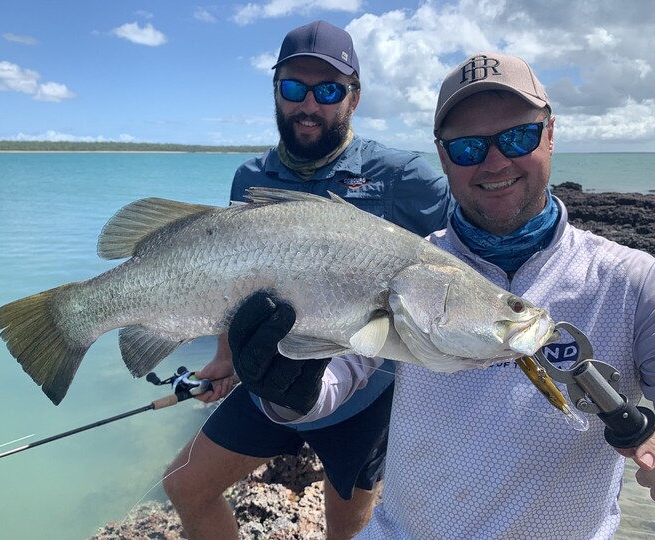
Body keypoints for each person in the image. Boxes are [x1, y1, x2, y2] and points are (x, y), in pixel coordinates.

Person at [220, 51, 655, 539]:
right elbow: (339, 375)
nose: (494, 161)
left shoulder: (634, 281)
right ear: (444, 157)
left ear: (550, 135)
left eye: (518, 136)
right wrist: (287, 392)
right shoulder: (406, 265)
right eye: (467, 148)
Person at [162, 20, 453, 539]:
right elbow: (240, 284)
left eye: (328, 90)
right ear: (276, 92)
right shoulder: (250, 177)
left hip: (363, 401)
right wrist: (227, 359)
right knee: (185, 487)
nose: (309, 105)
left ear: (354, 97)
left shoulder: (405, 177)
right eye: (294, 88)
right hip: (263, 388)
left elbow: (463, 259)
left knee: (347, 532)